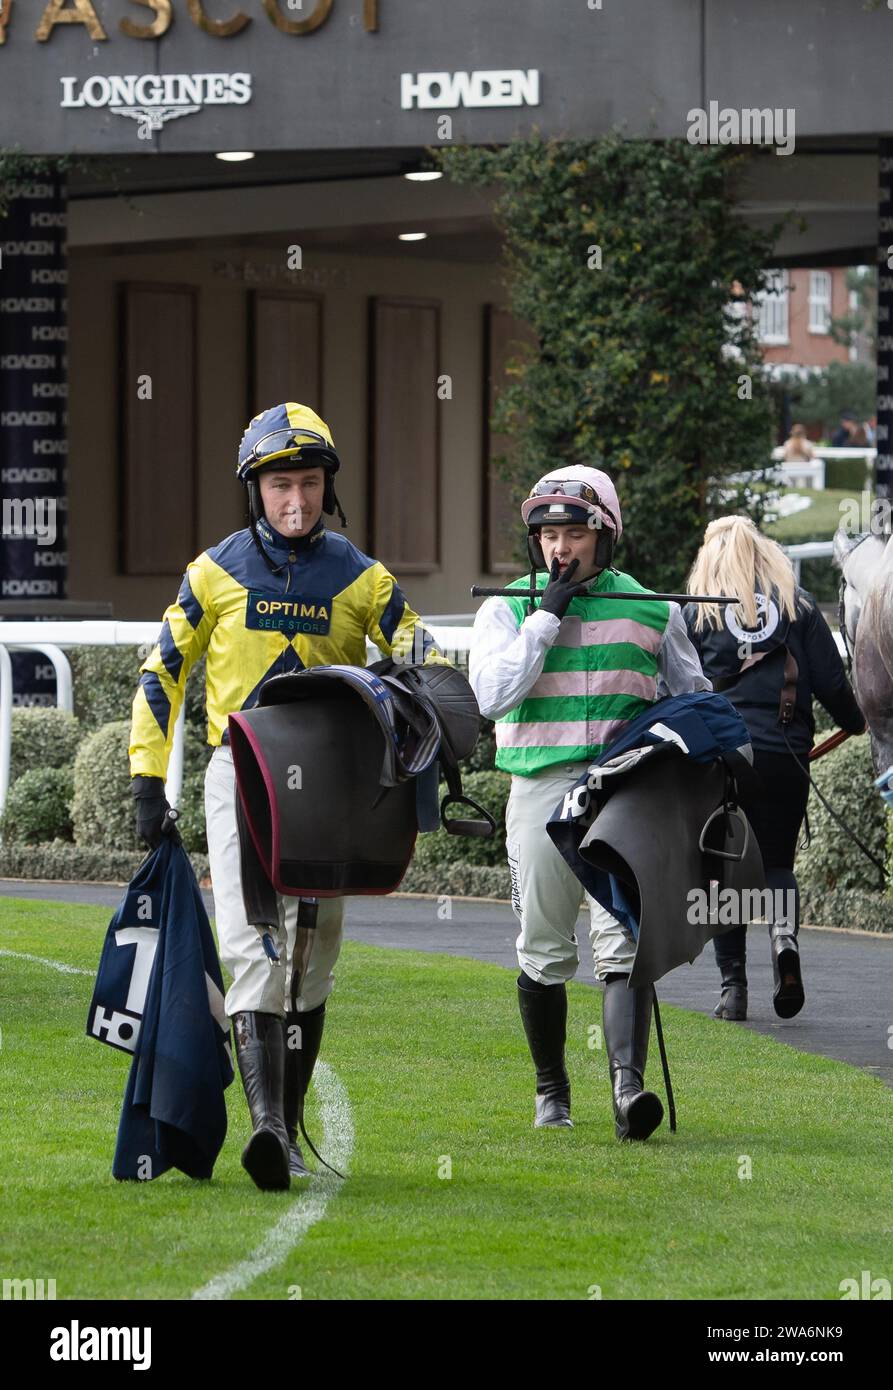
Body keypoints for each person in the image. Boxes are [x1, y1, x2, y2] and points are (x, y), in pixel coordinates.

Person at [128, 402, 441, 1190]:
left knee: (313, 960)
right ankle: (266, 1127)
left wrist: (426, 713)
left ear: (326, 488)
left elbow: (425, 658)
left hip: (330, 792)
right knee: (250, 946)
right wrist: (144, 780)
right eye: (278, 487)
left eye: (306, 484)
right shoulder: (213, 571)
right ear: (254, 492)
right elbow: (161, 672)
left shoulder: (363, 577)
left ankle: (289, 1130)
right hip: (240, 774)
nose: (294, 502)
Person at [469, 466, 712, 1142]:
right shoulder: (506, 608)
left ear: (604, 537)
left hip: (621, 791)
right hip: (539, 791)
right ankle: (552, 1092)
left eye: (574, 532)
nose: (559, 549)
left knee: (624, 942)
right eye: (547, 535)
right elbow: (491, 697)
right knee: (542, 947)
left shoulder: (651, 608)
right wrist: (546, 615)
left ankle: (627, 1089)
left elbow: (688, 694)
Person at [683, 516, 865, 1022]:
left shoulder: (699, 611)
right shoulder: (798, 604)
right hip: (786, 757)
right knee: (778, 864)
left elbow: (675, 687)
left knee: (721, 872)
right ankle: (784, 945)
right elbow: (832, 681)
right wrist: (855, 722)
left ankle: (733, 989)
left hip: (722, 760)